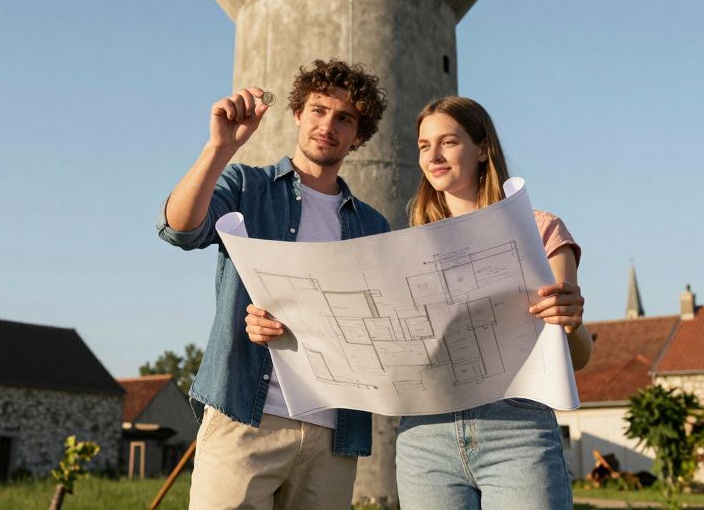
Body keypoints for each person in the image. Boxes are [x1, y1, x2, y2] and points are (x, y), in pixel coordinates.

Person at [245, 95, 590, 510]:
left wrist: (571, 323)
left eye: (449, 142)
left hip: (515, 430)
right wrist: (283, 323)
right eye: (425, 146)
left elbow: (577, 358)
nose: (433, 156)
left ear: (483, 148)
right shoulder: (403, 247)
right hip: (424, 438)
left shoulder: (540, 230)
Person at [157, 59, 390, 510]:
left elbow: (379, 328)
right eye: (318, 110)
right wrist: (219, 148)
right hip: (244, 418)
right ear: (298, 114)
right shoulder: (247, 185)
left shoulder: (373, 225)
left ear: (359, 135)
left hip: (334, 432)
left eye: (345, 118)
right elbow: (180, 229)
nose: (328, 125)